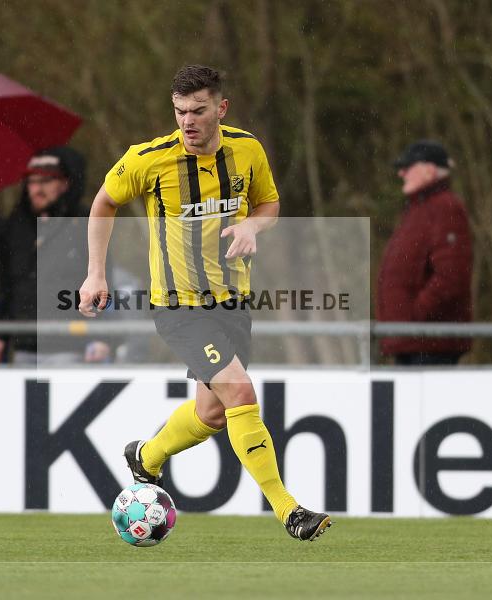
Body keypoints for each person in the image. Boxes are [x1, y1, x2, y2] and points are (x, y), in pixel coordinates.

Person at [78, 65, 331, 542]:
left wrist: (253, 226)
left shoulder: (248, 149)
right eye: (179, 112)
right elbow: (103, 202)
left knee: (213, 413)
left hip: (233, 302)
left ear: (221, 107)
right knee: (240, 392)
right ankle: (289, 511)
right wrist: (95, 272)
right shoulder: (148, 159)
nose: (187, 122)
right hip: (179, 306)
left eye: (197, 111)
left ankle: (146, 456)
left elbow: (269, 205)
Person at [0, 147, 110, 365]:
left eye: (46, 181)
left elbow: (105, 284)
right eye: (32, 181)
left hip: (72, 347)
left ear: (65, 183)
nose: (37, 189)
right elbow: (6, 288)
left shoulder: (85, 224)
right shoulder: (16, 227)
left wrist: (103, 337)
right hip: (23, 347)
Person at [376, 140, 473, 366]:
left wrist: (415, 315)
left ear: (429, 170)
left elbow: (452, 276)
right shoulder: (420, 210)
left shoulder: (445, 208)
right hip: (414, 341)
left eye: (408, 167)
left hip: (430, 344)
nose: (402, 173)